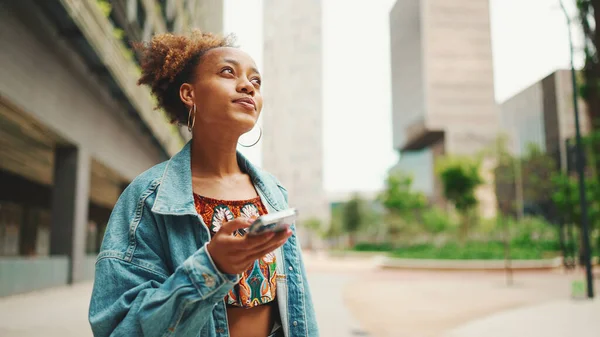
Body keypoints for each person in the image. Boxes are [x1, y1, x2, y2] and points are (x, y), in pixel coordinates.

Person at [88, 30, 318, 337]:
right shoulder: (147, 198)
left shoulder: (273, 191)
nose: (248, 86)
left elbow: (298, 309)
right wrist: (211, 266)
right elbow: (120, 326)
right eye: (228, 72)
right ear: (189, 94)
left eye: (256, 81)